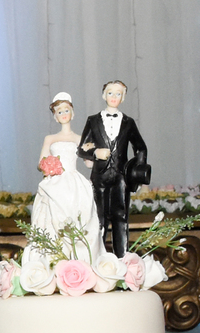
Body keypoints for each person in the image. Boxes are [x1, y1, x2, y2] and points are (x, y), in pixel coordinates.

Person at [77, 80, 150, 258]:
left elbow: (140, 147)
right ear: (104, 95)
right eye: (111, 93)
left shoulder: (128, 122)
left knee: (120, 217)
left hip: (121, 177)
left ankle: (122, 257)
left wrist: (138, 173)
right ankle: (97, 258)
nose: (114, 97)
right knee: (98, 218)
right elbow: (81, 149)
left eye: (118, 94)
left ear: (123, 98)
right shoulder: (93, 121)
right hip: (99, 177)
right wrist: (95, 153)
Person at [30, 92, 102, 261]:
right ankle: (53, 258)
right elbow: (41, 163)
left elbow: (89, 164)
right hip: (55, 183)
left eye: (66, 110)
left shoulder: (79, 138)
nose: (63, 114)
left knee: (78, 216)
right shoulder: (50, 138)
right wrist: (50, 165)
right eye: (59, 112)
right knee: (51, 218)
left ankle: (80, 259)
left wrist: (94, 150)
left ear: (72, 113)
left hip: (74, 183)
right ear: (55, 117)